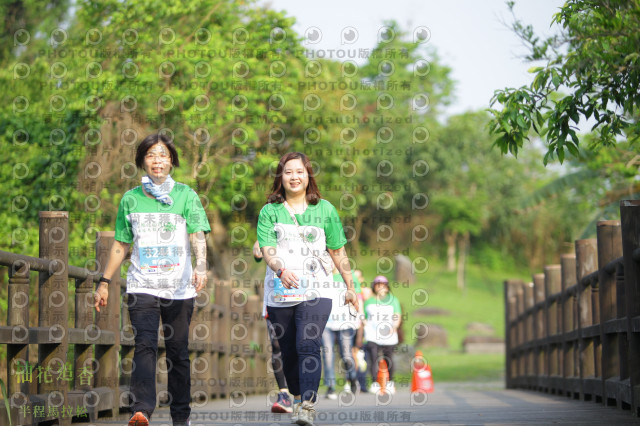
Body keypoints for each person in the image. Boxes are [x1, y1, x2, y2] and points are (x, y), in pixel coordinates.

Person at [94, 133, 210, 426]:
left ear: (171, 160)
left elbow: (197, 234)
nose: (157, 160)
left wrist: (202, 267)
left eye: (163, 155)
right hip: (141, 284)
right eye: (150, 155)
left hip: (179, 288)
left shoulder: (187, 196)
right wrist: (105, 281)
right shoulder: (130, 199)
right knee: (144, 345)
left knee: (178, 352)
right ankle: (141, 410)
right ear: (142, 161)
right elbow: (121, 244)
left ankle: (180, 416)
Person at [257, 152, 357, 426]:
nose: (294, 177)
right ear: (281, 177)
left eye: (299, 171)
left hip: (318, 290)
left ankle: (308, 406)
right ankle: (299, 396)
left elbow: (338, 250)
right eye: (288, 172)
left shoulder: (325, 209)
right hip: (281, 291)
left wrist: (350, 286)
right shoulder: (270, 211)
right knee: (287, 350)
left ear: (308, 175)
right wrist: (280, 268)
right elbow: (267, 249)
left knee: (308, 343)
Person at [253, 241, 293, 413]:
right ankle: (284, 394)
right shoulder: (268, 226)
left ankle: (301, 394)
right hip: (275, 297)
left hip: (302, 293)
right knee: (277, 345)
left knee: (299, 346)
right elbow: (257, 253)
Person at [321, 268, 362, 398]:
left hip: (345, 322)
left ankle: (353, 379)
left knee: (346, 355)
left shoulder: (348, 276)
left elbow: (358, 297)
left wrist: (359, 317)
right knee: (327, 355)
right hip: (326, 322)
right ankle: (330, 387)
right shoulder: (321, 277)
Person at [363, 275, 401, 395]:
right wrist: (365, 324)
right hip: (372, 334)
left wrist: (394, 326)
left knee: (388, 358)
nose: (380, 287)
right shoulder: (369, 301)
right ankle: (375, 383)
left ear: (387, 287)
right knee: (373, 358)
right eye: (378, 285)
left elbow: (397, 315)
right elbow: (363, 316)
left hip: (388, 334)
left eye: (382, 285)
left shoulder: (393, 300)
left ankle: (390, 383)